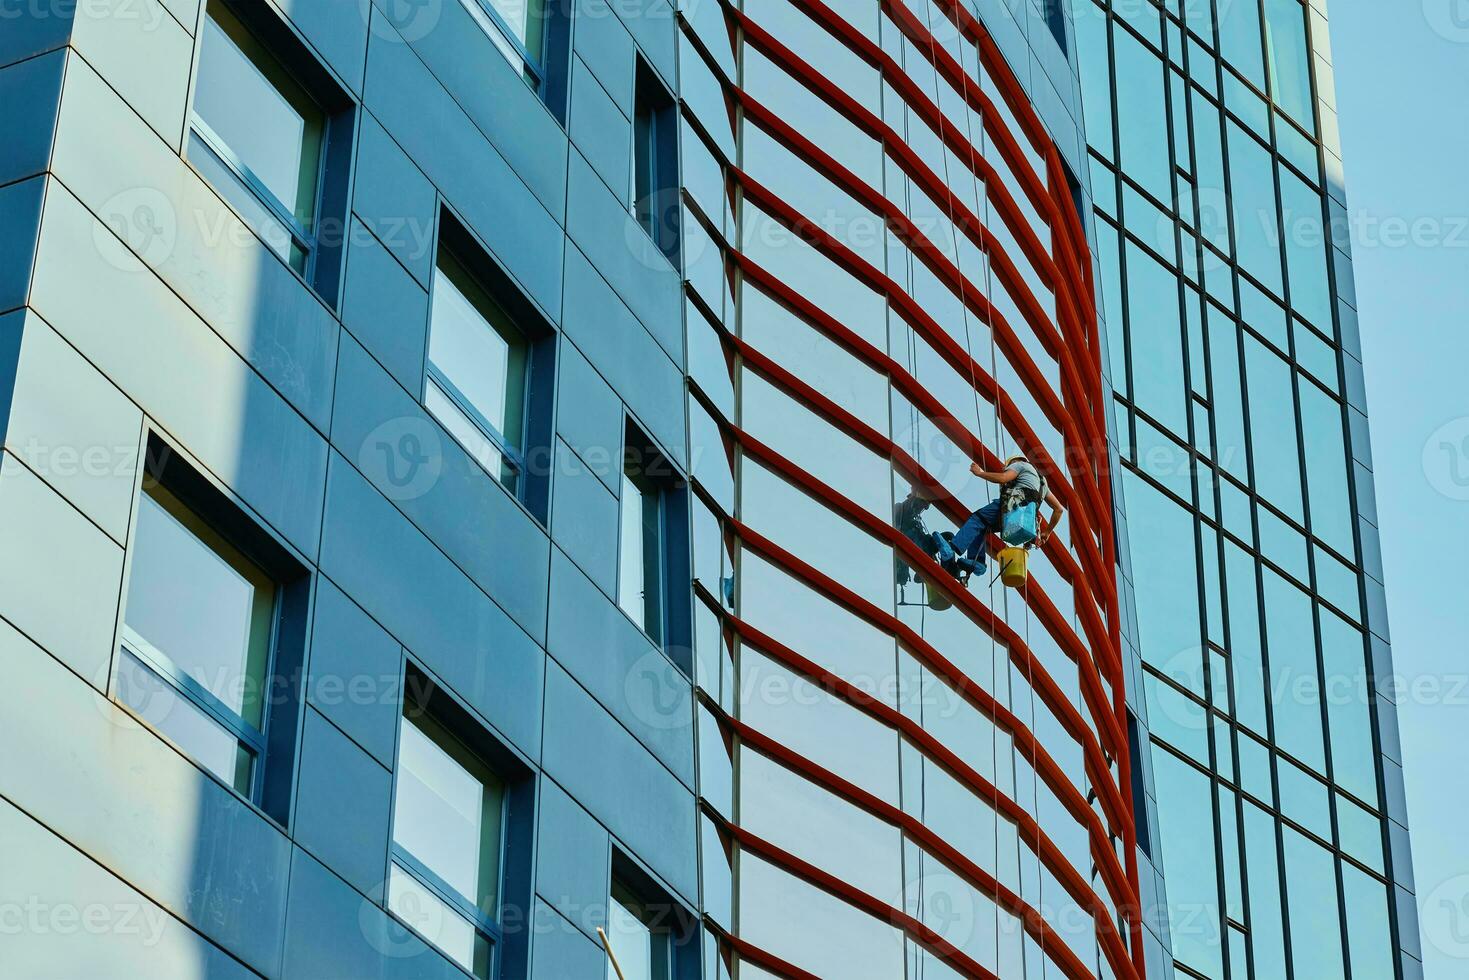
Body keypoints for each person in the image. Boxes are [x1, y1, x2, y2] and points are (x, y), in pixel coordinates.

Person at [936, 454, 1063, 578]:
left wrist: (980, 473)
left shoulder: (1019, 465)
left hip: (1010, 507)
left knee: (977, 519)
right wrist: (1047, 532)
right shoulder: (1042, 483)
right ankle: (978, 562)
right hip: (1020, 519)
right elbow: (1059, 509)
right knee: (982, 527)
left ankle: (952, 549)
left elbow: (1003, 478)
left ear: (1014, 462)